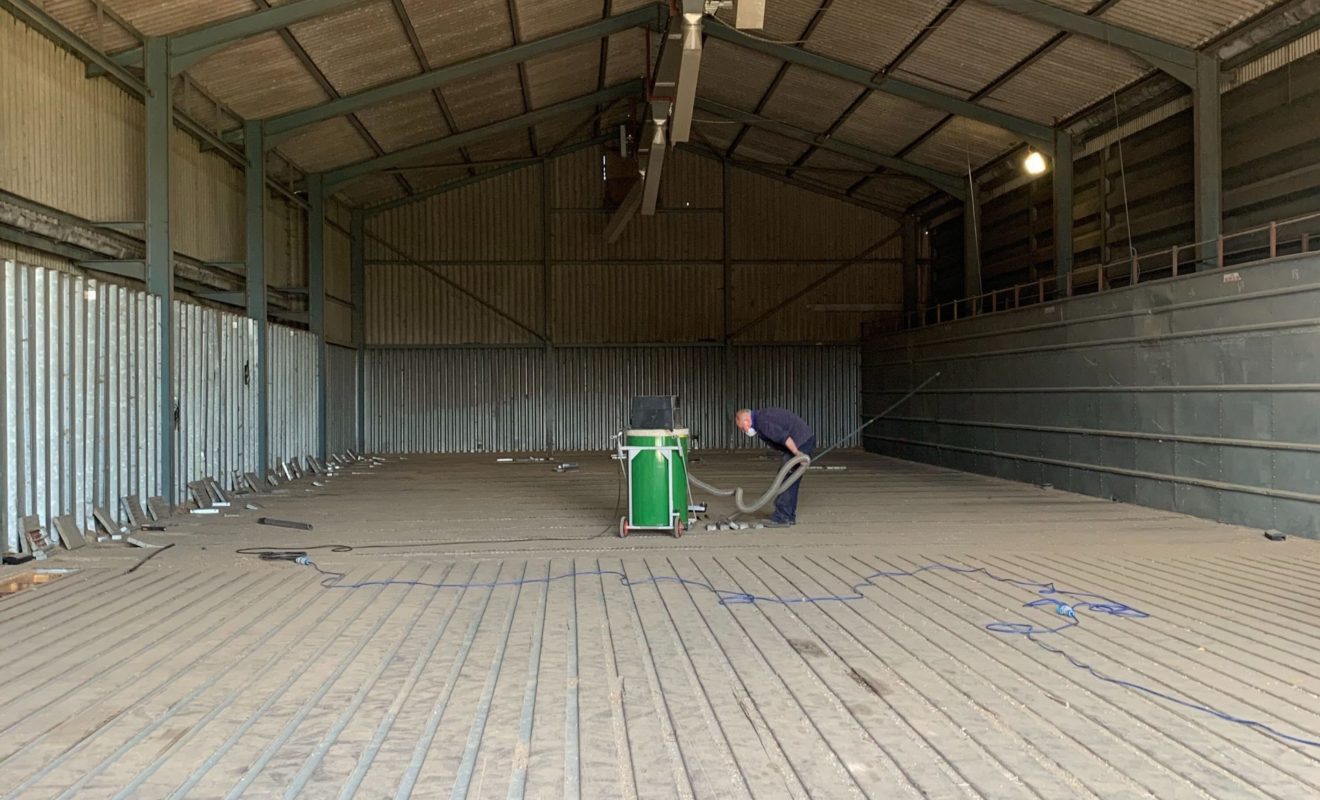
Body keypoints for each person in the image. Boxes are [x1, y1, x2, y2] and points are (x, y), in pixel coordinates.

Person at [734, 407, 815, 527]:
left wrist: (798, 454)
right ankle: (788, 515)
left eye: (742, 428)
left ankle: (783, 517)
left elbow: (784, 437)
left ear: (746, 420)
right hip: (801, 440)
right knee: (786, 477)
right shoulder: (760, 419)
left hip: (800, 442)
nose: (743, 431)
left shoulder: (762, 421)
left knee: (786, 478)